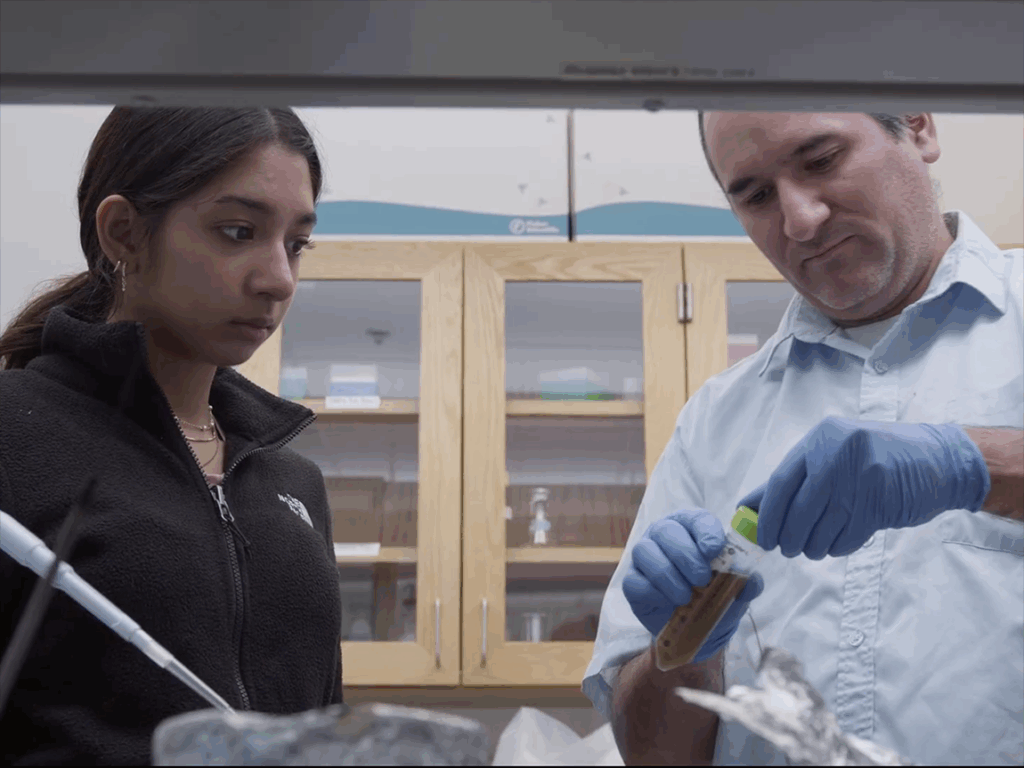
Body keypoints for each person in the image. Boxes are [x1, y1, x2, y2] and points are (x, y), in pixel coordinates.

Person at [583, 111, 1023, 766]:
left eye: (821, 159)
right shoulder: (716, 420)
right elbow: (656, 756)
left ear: (920, 129)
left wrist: (972, 466)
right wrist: (683, 652)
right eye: (756, 195)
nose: (799, 220)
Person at [0, 107, 344, 765]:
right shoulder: (12, 439)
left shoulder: (292, 481)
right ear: (125, 233)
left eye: (296, 244)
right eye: (238, 231)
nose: (279, 278)